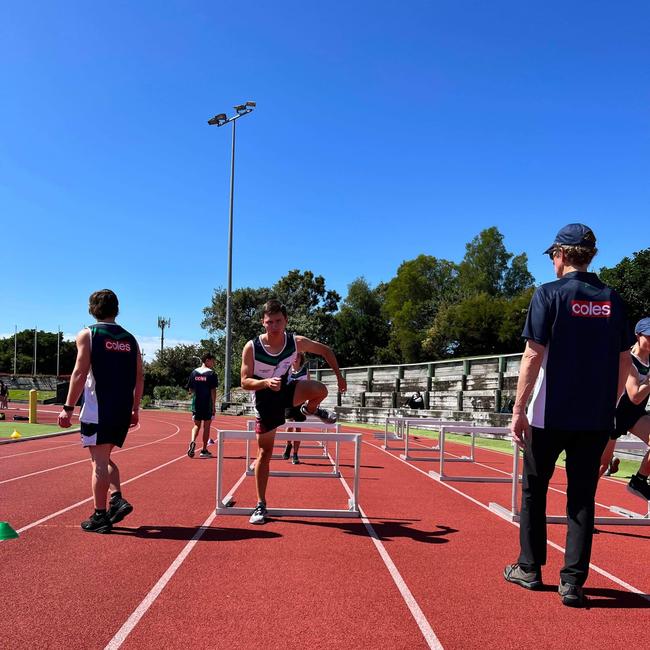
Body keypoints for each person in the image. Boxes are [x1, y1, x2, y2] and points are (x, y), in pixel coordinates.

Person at [503, 224, 633, 608]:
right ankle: (573, 582)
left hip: (548, 413)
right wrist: (606, 406)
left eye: (553, 256)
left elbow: (532, 355)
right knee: (581, 498)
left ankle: (530, 568)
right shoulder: (612, 299)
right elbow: (625, 360)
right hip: (593, 418)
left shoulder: (548, 295)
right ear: (590, 255)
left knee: (535, 490)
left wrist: (518, 409)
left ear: (560, 255)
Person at [241, 299, 347, 524]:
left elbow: (326, 351)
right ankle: (261, 504)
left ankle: (307, 409)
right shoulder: (252, 347)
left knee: (320, 389)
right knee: (265, 454)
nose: (274, 326)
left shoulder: (296, 342)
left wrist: (339, 376)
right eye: (269, 322)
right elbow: (244, 381)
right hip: (264, 399)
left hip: (286, 390)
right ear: (263, 322)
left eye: (278, 321)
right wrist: (265, 383)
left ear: (286, 321)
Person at [58, 289, 143, 534]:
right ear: (116, 309)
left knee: (98, 462)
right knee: (104, 457)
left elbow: (79, 372)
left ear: (91, 309)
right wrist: (135, 407)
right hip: (121, 409)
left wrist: (68, 408)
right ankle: (116, 498)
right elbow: (139, 376)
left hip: (97, 408)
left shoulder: (88, 334)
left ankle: (100, 515)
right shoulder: (130, 339)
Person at [598, 317, 650, 500]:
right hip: (615, 416)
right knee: (601, 467)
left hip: (635, 415)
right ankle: (579, 507)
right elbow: (635, 396)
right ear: (638, 335)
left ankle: (639, 481)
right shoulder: (628, 360)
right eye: (649, 337)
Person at [186, 353, 218, 459]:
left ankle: (192, 441)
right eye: (212, 361)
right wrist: (213, 406)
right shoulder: (211, 374)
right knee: (207, 426)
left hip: (196, 403)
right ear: (207, 360)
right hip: (207, 403)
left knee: (196, 425)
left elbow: (190, 390)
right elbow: (213, 391)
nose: (213, 363)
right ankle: (204, 450)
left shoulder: (194, 373)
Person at [282, 352, 310, 465]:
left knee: (298, 428)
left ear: (301, 359)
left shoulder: (305, 371)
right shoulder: (287, 371)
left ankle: (295, 454)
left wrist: (308, 401)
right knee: (289, 426)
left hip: (301, 403)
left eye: (298, 356)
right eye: (294, 356)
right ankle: (288, 444)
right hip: (289, 402)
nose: (295, 358)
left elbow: (309, 387)